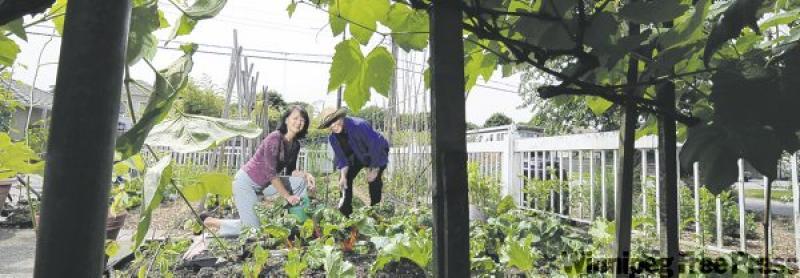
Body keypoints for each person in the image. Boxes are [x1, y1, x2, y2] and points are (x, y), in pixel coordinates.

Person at [203, 105, 316, 236]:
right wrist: (287, 196)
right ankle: (216, 223)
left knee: (300, 182)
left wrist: (307, 175)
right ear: (286, 120)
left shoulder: (295, 145)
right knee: (254, 231)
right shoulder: (275, 138)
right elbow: (271, 173)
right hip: (246, 183)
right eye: (295, 118)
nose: (298, 122)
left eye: (302, 120)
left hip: (265, 185)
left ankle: (299, 220)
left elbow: (292, 171)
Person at [318, 107, 389, 217]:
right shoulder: (333, 138)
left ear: (341, 117)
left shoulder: (359, 125)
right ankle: (345, 212)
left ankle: (375, 212)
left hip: (377, 152)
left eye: (334, 120)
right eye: (329, 124)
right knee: (345, 179)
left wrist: (374, 169)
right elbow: (342, 159)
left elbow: (376, 146)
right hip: (357, 155)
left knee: (373, 180)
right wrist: (343, 176)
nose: (332, 126)